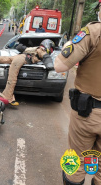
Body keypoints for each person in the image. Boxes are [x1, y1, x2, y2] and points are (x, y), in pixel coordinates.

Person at [54, 1, 101, 184]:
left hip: (88, 114)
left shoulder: (93, 32)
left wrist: (69, 45)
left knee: (76, 161)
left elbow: (59, 66)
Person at [0, 39, 55, 106]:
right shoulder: (42, 50)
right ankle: (8, 98)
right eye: (51, 49)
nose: (51, 51)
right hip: (21, 59)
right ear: (47, 45)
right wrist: (50, 65)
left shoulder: (34, 48)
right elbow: (46, 57)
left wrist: (18, 44)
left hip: (17, 57)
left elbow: (20, 47)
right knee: (12, 79)